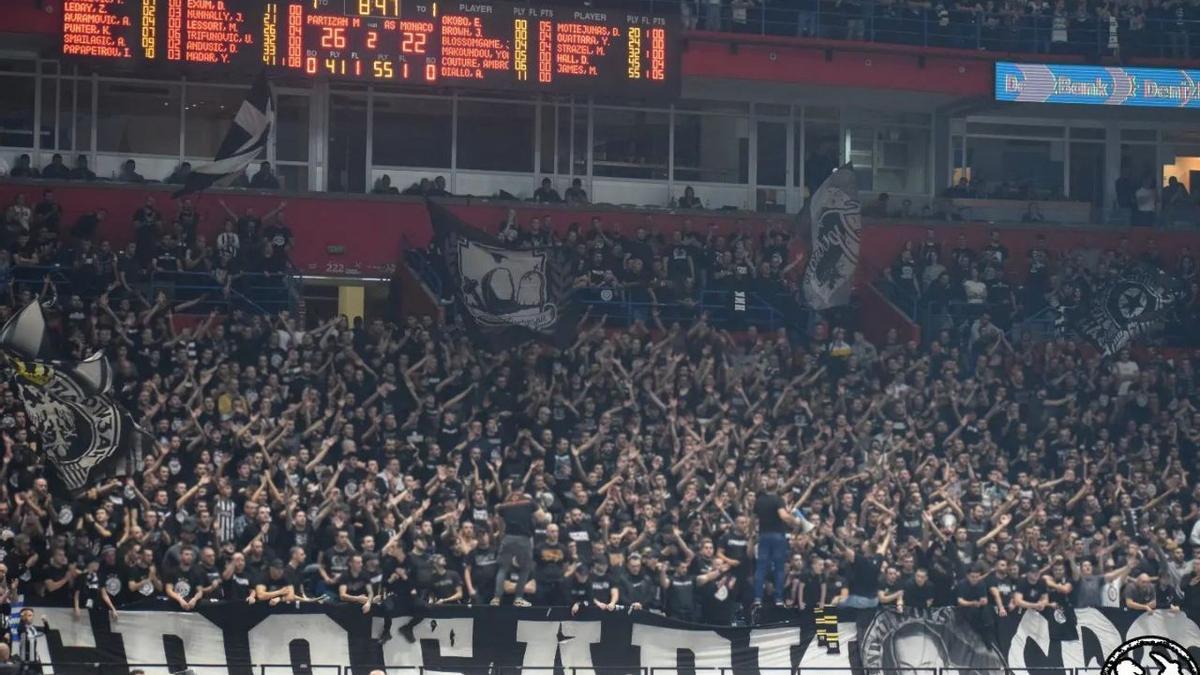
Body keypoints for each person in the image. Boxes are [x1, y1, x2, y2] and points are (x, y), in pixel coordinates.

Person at [491, 490, 549, 607]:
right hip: (524, 538)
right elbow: (542, 518)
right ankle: (518, 598)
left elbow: (500, 524)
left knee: (503, 568)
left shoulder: (504, 505)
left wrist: (503, 537)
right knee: (525, 568)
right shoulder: (529, 502)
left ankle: (496, 598)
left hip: (508, 538)